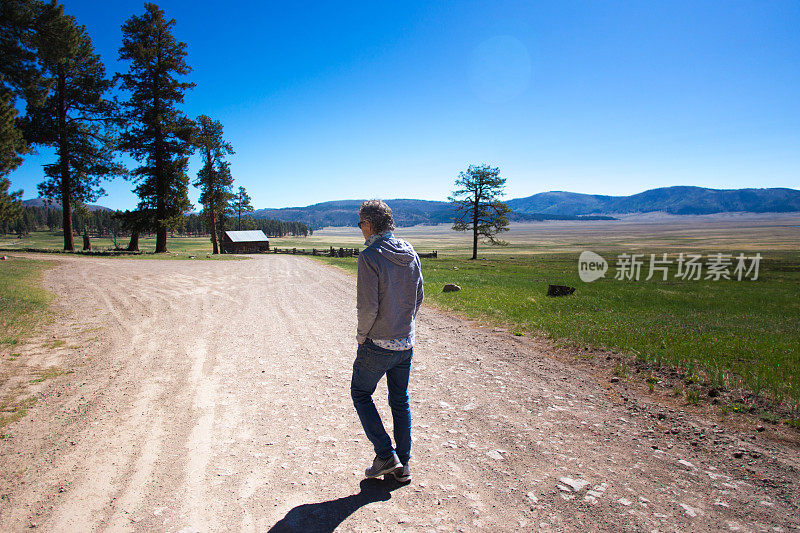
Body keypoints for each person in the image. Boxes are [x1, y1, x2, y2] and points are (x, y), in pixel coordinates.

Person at [351, 199, 424, 482]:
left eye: (361, 224)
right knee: (399, 401)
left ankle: (384, 455)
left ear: (369, 225)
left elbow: (368, 308)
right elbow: (418, 298)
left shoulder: (370, 257)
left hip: (378, 343)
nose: (361, 230)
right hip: (406, 342)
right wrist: (405, 324)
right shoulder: (410, 252)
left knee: (360, 393)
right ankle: (403, 465)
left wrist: (361, 337)